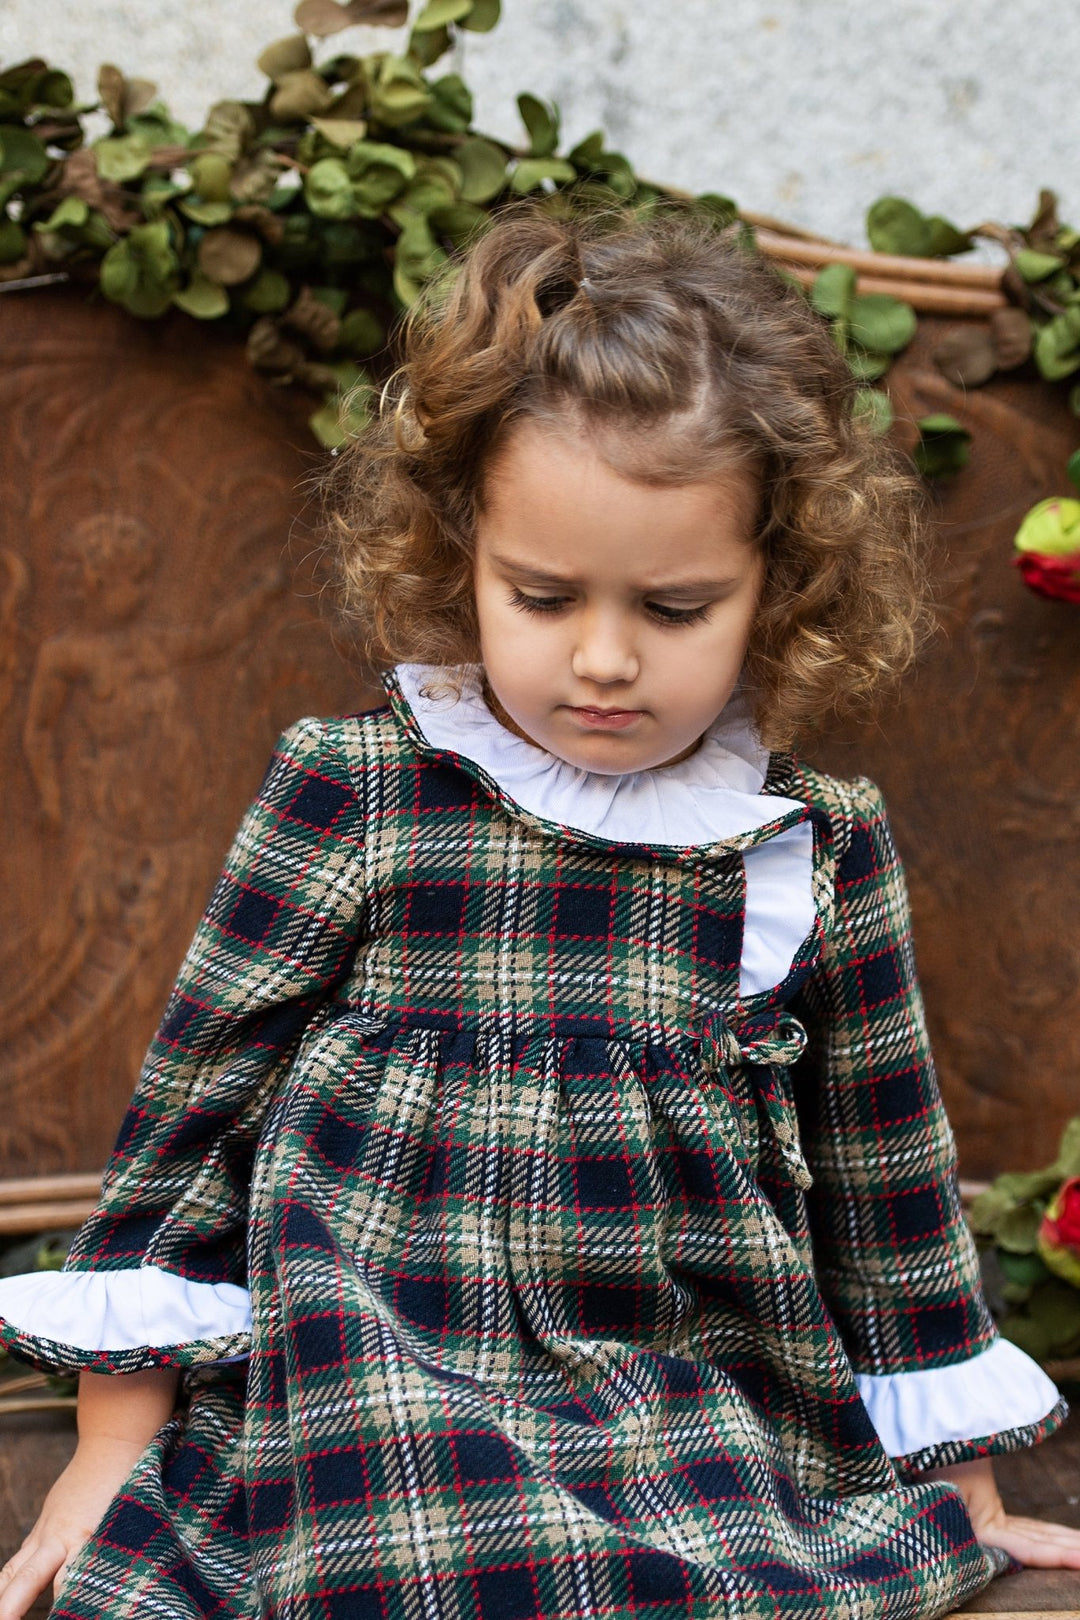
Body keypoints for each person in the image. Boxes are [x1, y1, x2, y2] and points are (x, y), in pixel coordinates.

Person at [1, 206, 1078, 1620]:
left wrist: (954, 1471)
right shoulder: (363, 786)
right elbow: (198, 1099)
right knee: (423, 1561)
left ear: (779, 588)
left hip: (680, 1370)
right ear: (461, 561)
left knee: (717, 1581)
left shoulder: (807, 839)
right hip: (383, 1352)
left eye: (679, 606)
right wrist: (114, 1448)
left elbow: (882, 1169)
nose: (606, 659)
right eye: (544, 594)